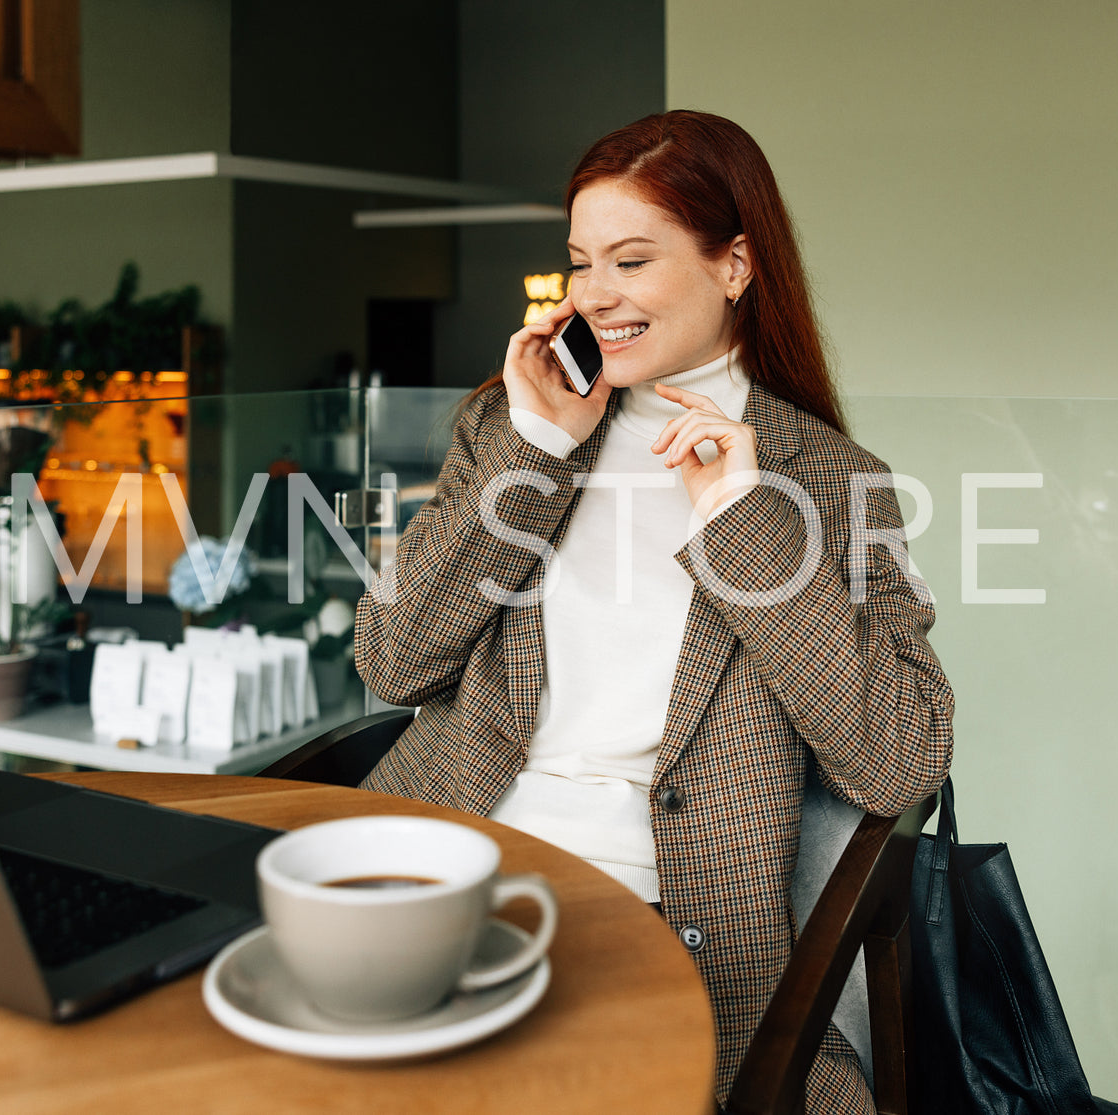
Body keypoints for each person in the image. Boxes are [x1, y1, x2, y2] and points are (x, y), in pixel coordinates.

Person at [353, 110, 954, 1114]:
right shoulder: (514, 426)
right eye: (580, 260)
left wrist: (741, 519)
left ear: (733, 265)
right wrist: (533, 449)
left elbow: (898, 758)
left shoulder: (832, 480)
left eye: (630, 259)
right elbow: (393, 659)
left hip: (659, 919)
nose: (593, 294)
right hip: (439, 860)